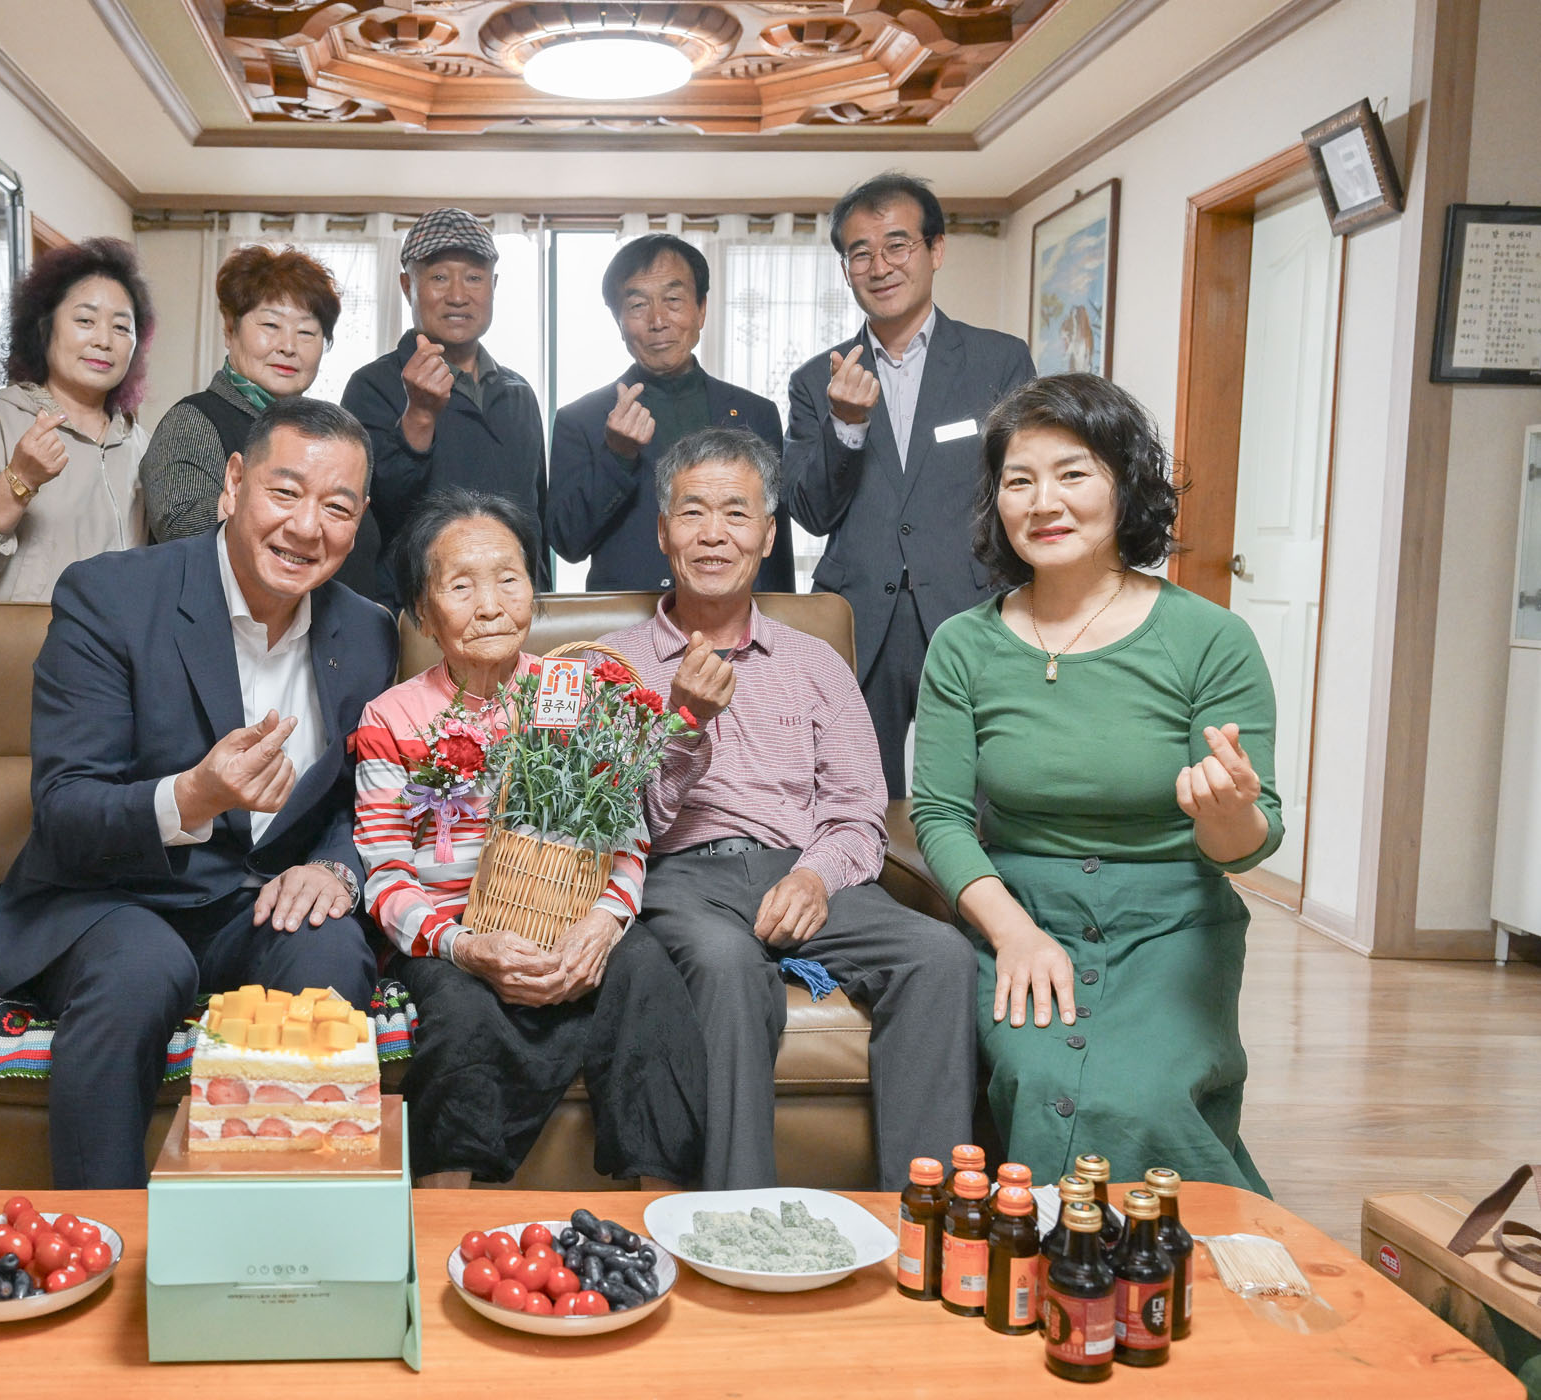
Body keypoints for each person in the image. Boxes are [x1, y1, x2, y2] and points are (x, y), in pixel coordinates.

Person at [0, 398, 399, 1188]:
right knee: (142, 970)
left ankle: (282, 1239)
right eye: (285, 493)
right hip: (111, 894)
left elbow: (367, 795)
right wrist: (195, 795)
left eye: (337, 508)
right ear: (232, 484)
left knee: (331, 950)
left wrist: (337, 868)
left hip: (255, 900)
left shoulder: (368, 631)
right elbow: (66, 807)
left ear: (358, 522)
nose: (306, 527)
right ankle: (101, 1232)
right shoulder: (109, 597)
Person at [909, 374, 1283, 1192]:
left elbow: (1246, 843)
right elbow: (937, 813)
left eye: (1073, 473)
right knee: (1045, 1082)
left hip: (1174, 920)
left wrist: (1227, 812)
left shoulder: (1211, 638)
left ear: (1125, 483)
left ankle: (1184, 1256)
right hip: (1021, 910)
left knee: (1142, 1095)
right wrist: (1012, 932)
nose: (1044, 501)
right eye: (1019, 480)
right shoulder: (963, 646)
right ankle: (1052, 1256)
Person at [603, 427, 976, 1192]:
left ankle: (924, 1216)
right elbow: (616, 823)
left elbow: (859, 812)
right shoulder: (611, 664)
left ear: (768, 537)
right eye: (693, 512)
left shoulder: (815, 661)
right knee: (725, 964)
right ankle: (736, 1221)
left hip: (801, 869)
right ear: (664, 531)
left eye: (737, 514)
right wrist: (682, 724)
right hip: (677, 879)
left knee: (940, 954)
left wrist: (814, 878)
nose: (714, 534)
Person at [350, 489, 705, 1187]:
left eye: (509, 579)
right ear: (422, 611)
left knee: (648, 975)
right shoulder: (391, 717)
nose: (490, 606)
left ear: (533, 593)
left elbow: (627, 838)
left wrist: (603, 925)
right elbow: (386, 876)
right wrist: (464, 946)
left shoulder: (570, 692)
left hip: (573, 928)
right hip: (453, 941)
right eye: (461, 586)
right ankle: (448, 1220)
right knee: (457, 1016)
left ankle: (658, 1212)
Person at [783, 173, 1035, 798]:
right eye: (860, 253)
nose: (879, 266)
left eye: (897, 245)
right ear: (846, 269)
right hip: (861, 616)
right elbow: (809, 511)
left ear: (935, 250)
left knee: (987, 790)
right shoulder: (816, 380)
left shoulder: (999, 360)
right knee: (859, 797)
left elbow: (1027, 484)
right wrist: (846, 425)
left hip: (973, 605)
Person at [548, 234, 795, 592]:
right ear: (618, 320)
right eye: (637, 305)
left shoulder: (756, 414)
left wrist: (781, 618)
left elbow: (774, 547)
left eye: (673, 300)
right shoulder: (581, 419)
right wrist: (616, 457)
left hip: (735, 615)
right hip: (626, 618)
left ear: (701, 309)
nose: (658, 320)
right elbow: (568, 543)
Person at [0, 238, 154, 603]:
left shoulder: (139, 443)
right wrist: (19, 481)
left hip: (115, 639)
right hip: (19, 638)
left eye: (122, 327)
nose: (104, 340)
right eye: (85, 320)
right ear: (44, 328)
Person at [141, 244, 382, 597]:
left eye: (307, 332)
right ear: (229, 330)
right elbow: (178, 528)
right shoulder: (194, 419)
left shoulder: (327, 438)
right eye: (270, 325)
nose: (288, 346)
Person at [342, 208, 548, 605]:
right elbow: (367, 516)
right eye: (438, 277)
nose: (457, 295)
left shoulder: (519, 393)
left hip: (514, 612)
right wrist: (419, 416)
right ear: (407, 285)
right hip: (413, 615)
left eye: (474, 278)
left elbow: (536, 523)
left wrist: (543, 606)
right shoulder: (371, 386)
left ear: (493, 286)